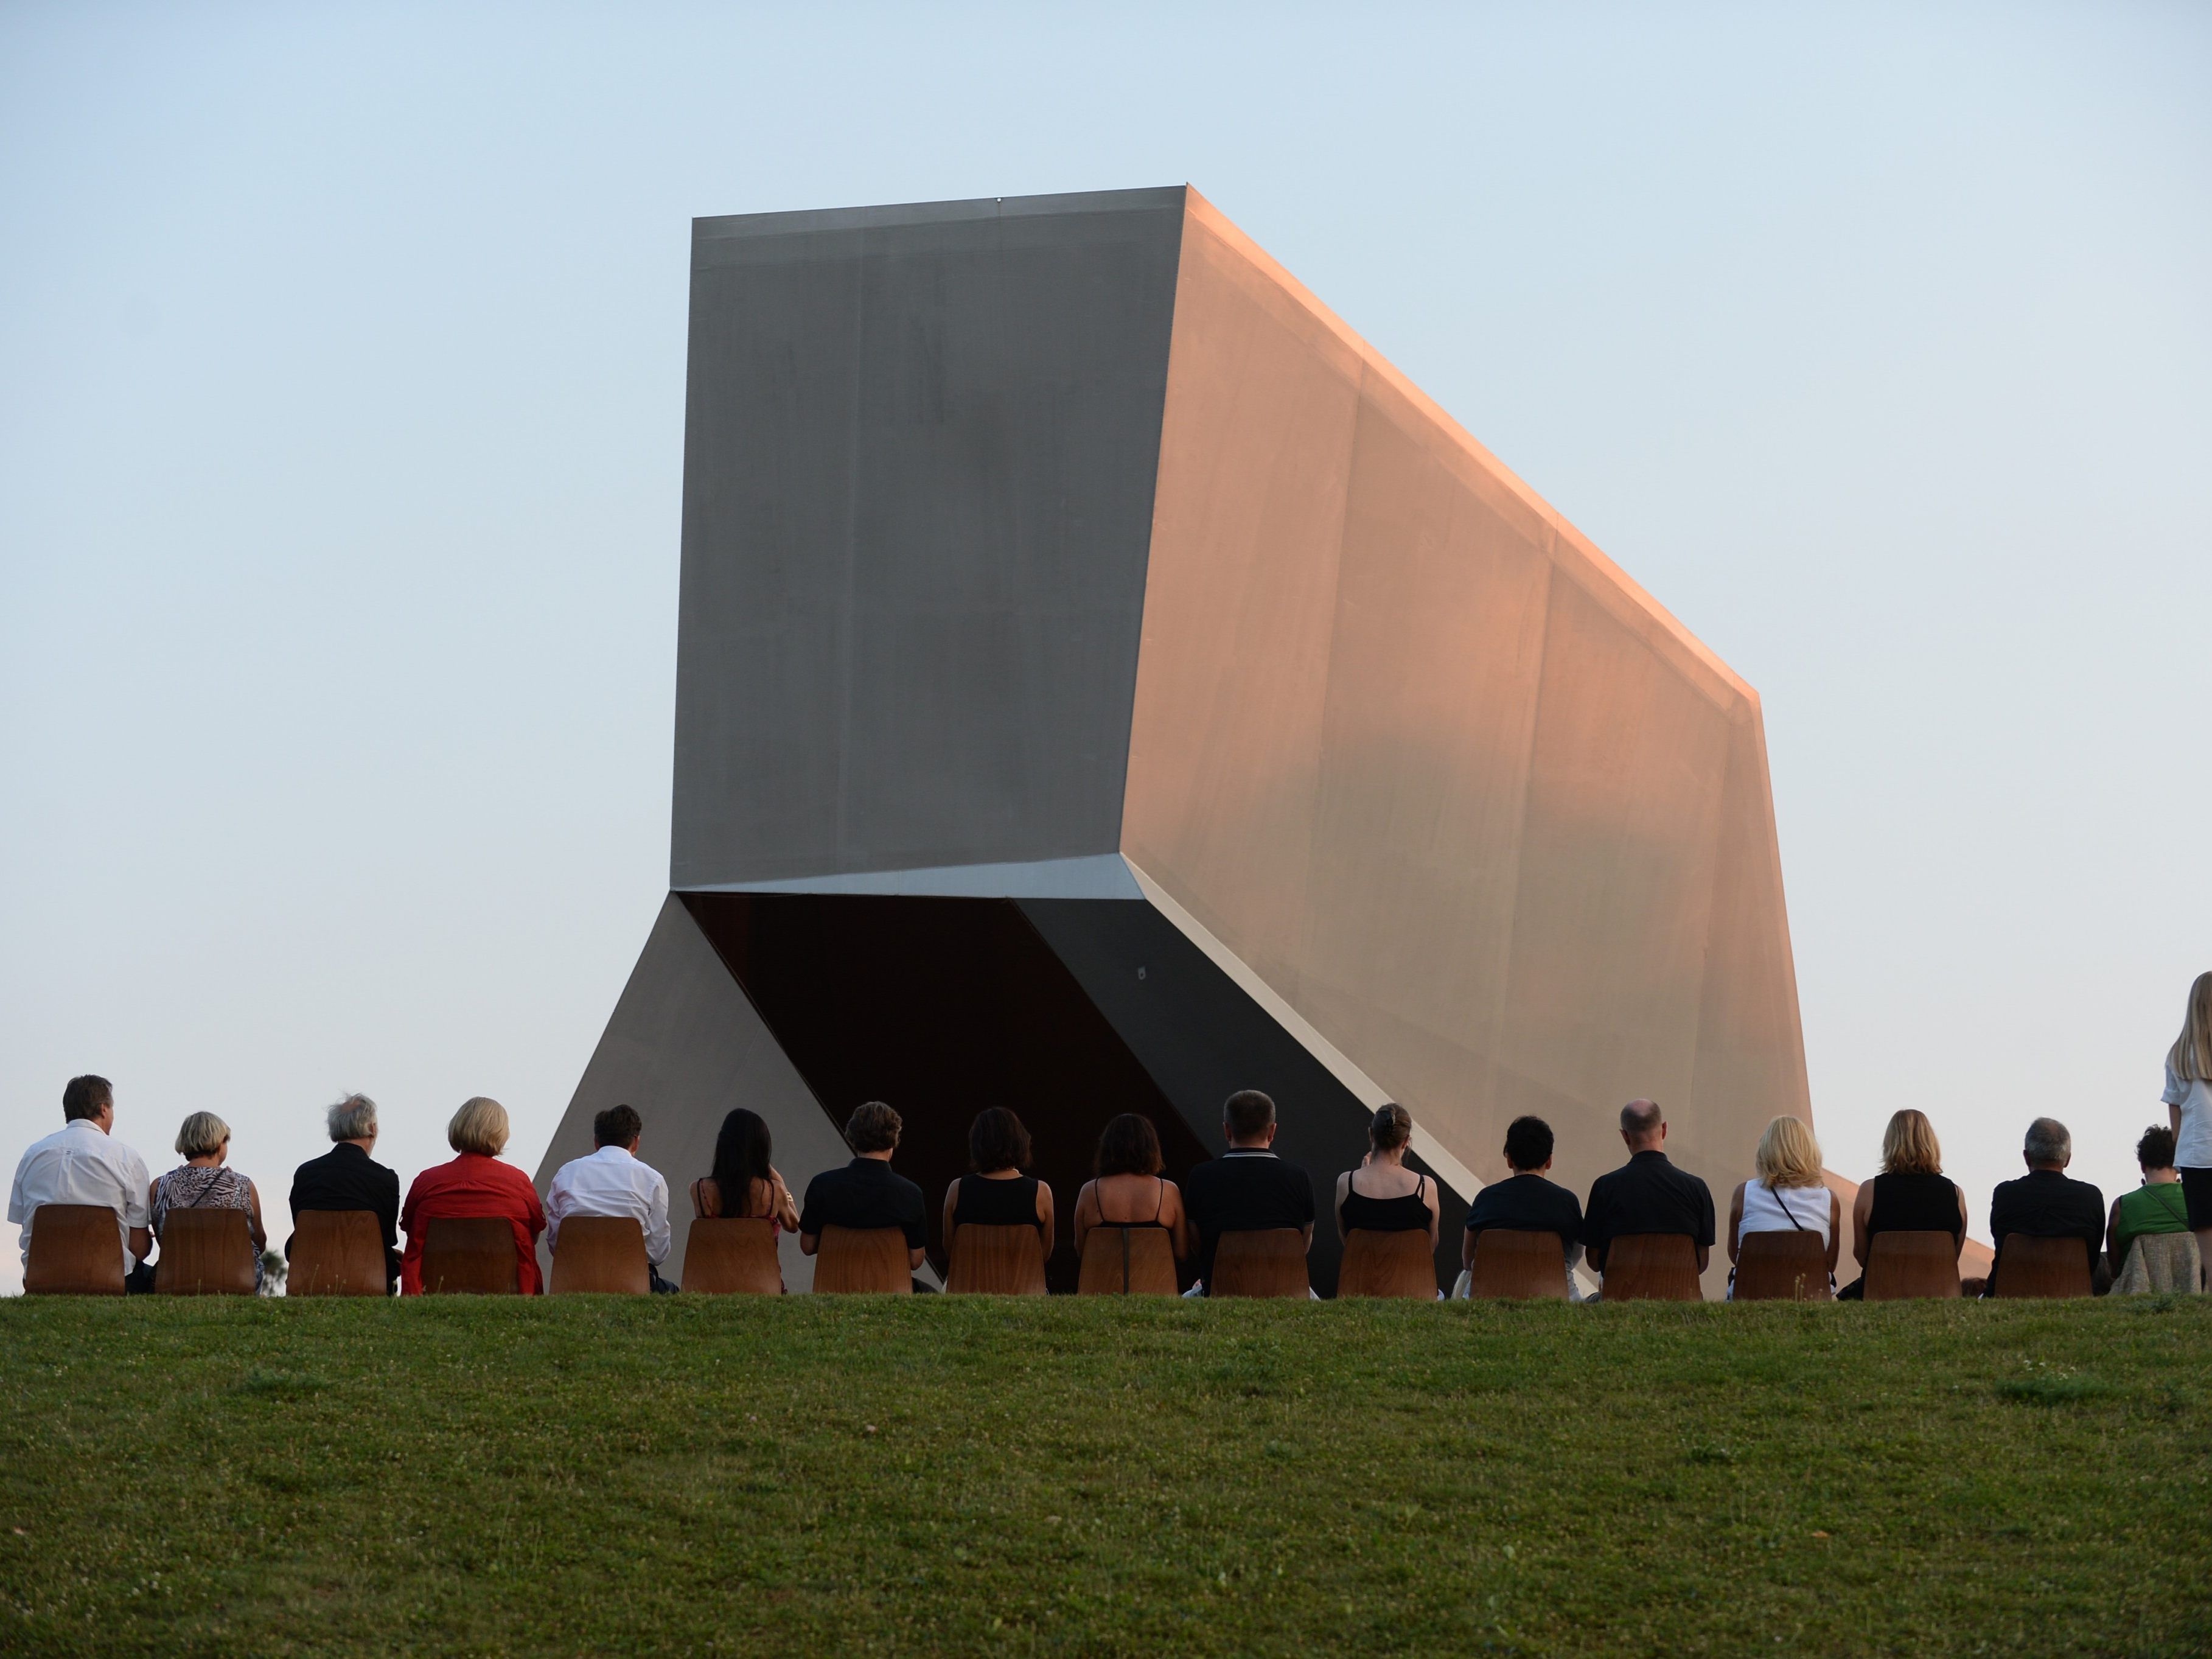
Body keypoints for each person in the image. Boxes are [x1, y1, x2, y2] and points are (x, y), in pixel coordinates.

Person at [8, 1075, 153, 1291]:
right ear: (104, 1109)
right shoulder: (126, 1158)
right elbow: (139, 1249)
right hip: (111, 1278)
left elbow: (24, 1221)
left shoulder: (32, 1155)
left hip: (43, 1276)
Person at [400, 1097, 546, 1294]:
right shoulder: (518, 1181)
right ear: (501, 1132)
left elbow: (409, 1229)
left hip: (431, 1288)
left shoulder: (426, 1181)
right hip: (512, 1289)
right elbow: (534, 1233)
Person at [1180, 1089, 1316, 1293]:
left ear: (1227, 1130)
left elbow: (1197, 1244)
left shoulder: (1201, 1177)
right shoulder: (1298, 1178)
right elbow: (1302, 1246)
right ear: (1272, 1131)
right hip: (1284, 1290)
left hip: (1219, 1289)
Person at [1581, 1098, 1715, 1285]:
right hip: (1678, 1296)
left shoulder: (1604, 1187)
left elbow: (1594, 1262)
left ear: (1625, 1136)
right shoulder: (1697, 1188)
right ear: (1665, 1130)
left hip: (1619, 1298)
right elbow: (1701, 1263)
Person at [545, 1104, 677, 1293]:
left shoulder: (566, 1173)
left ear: (596, 1142)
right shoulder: (652, 1179)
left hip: (573, 1280)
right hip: (632, 1282)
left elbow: (557, 1244)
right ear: (636, 1142)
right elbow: (658, 1253)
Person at [1837, 1108, 1966, 1299]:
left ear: (1889, 1143)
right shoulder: (1955, 1194)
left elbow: (1862, 1255)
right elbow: (1951, 1257)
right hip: (1937, 1291)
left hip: (1881, 1290)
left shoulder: (1869, 1191)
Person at [288, 1092, 402, 1293]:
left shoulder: (305, 1174)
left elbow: (303, 1227)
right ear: (373, 1129)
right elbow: (386, 1237)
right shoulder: (385, 1179)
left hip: (310, 1276)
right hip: (370, 1278)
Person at [798, 1102, 928, 1275]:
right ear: (893, 1142)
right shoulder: (911, 1193)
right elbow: (916, 1260)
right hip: (889, 1288)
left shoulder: (822, 1185)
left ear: (853, 1140)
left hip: (835, 1285)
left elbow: (807, 1246)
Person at [1459, 1114, 1584, 1294]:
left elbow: (1468, 1261)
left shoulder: (1486, 1199)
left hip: (1489, 1293)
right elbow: (1574, 1256)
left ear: (1509, 1159)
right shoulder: (1567, 1201)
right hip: (1555, 1295)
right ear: (1549, 1161)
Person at [150, 1111, 269, 1291]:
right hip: (236, 1277)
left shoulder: (160, 1186)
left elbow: (165, 1241)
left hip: (179, 1276)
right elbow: (259, 1242)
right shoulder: (243, 1185)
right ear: (220, 1143)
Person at [1725, 1116, 1840, 1298]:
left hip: (1751, 1293)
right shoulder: (1828, 1199)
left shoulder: (1744, 1193)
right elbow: (1829, 1264)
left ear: (1765, 1150)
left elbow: (1736, 1255)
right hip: (1809, 1296)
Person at [1987, 1117, 2106, 1294]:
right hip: (2073, 1292)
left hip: (2009, 1292)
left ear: (2027, 1157)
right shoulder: (2091, 1197)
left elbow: (2000, 1242)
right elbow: (2092, 1258)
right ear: (2067, 1159)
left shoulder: (2005, 1194)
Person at [1071, 1113, 1192, 1264]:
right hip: (1156, 1285)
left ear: (1108, 1148)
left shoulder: (1089, 1190)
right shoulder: (1168, 1190)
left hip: (1103, 1285)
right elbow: (1182, 1252)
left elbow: (1082, 1252)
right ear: (1151, 1148)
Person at [941, 1108, 1055, 1259]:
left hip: (972, 1282)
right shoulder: (1041, 1191)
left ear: (977, 1144)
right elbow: (1044, 1256)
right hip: (1023, 1283)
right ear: (1020, 1141)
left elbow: (951, 1251)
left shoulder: (957, 1189)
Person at [2107, 1124, 2199, 1294]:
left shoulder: (2122, 1205)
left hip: (2139, 1293)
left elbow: (2115, 1268)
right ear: (2178, 1162)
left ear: (2142, 1165)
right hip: (2196, 1289)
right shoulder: (2199, 1198)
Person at [1335, 1103, 1440, 1249]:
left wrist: (1362, 1175)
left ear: (1371, 1134)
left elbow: (1347, 1240)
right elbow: (1431, 1245)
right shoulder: (1425, 1187)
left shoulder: (1346, 1183)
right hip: (1409, 1272)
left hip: (1360, 1272)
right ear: (1405, 1142)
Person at [2161, 970, 2212, 1274]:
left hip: (2196, 1155)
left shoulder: (2179, 1055)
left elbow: (2176, 1115)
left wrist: (2179, 1157)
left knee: (2207, 1242)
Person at [692, 1108, 800, 1234]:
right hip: (761, 1254)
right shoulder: (774, 1191)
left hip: (715, 1254)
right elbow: (794, 1226)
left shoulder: (699, 1189)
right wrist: (782, 1184)